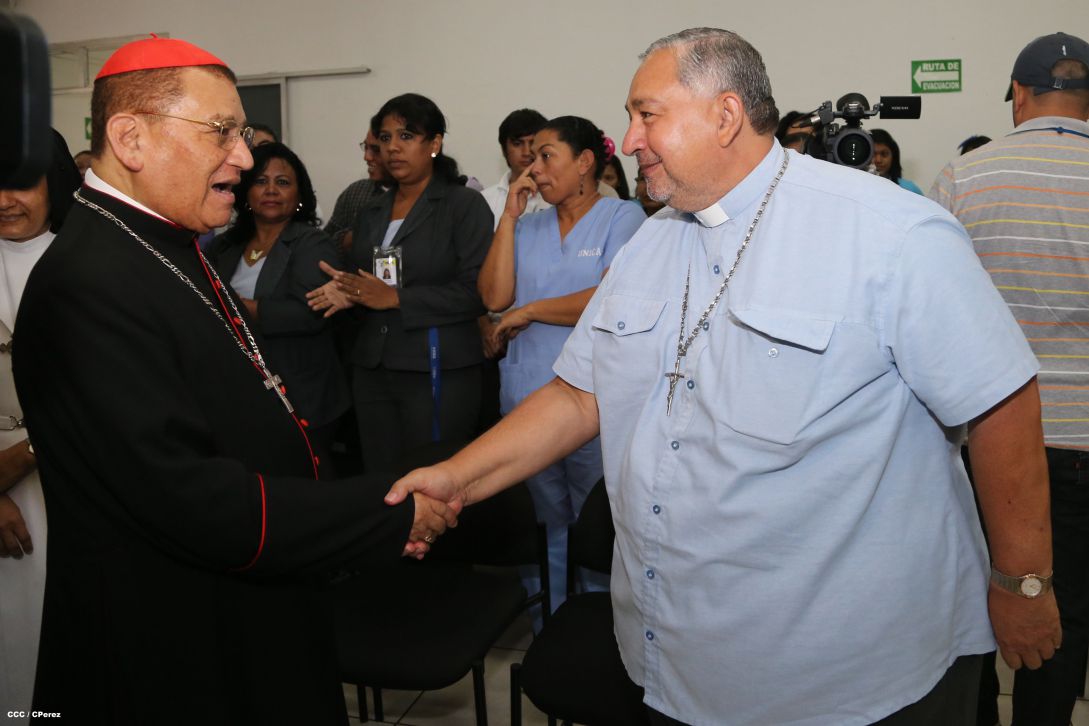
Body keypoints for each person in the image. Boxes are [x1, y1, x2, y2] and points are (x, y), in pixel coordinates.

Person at [385, 27, 1062, 725]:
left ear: (724, 115)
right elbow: (579, 395)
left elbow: (1000, 405)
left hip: (849, 672)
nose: (629, 138)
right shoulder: (652, 241)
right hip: (675, 658)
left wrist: (1022, 584)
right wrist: (459, 477)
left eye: (646, 115)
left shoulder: (890, 234)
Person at [12, 37, 455, 725]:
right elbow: (189, 499)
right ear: (130, 137)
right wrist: (384, 512)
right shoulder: (87, 283)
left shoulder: (163, 241)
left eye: (242, 135)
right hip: (171, 634)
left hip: (244, 596)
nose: (245, 159)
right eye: (222, 132)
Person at [929, 31, 1089, 726]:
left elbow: (926, 308)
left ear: (1019, 96)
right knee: (1067, 612)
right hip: (1082, 445)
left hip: (981, 443)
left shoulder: (965, 176)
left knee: (969, 602)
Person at [478, 115, 644, 615]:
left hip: (595, 399)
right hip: (526, 395)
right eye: (531, 158)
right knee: (544, 518)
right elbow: (493, 295)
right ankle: (547, 617)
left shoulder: (625, 219)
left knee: (596, 517)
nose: (535, 168)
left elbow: (610, 299)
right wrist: (508, 217)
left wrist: (528, 311)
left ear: (586, 163)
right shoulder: (525, 226)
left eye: (547, 155)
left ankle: (596, 620)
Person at [307, 93, 493, 474]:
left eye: (406, 136)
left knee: (432, 480)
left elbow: (476, 293)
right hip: (373, 366)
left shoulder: (463, 205)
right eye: (386, 138)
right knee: (381, 477)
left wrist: (395, 299)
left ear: (435, 144)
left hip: (436, 363)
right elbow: (370, 281)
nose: (392, 147)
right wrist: (347, 292)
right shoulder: (373, 209)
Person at [0, 128, 81, 726]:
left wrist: (24, 456)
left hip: (72, 470)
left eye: (21, 179)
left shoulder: (89, 262)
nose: (4, 197)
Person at [206, 142, 349, 477]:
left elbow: (307, 313)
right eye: (260, 181)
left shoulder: (312, 243)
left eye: (283, 182)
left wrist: (237, 307)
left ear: (300, 193)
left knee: (304, 488)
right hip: (240, 392)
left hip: (302, 392)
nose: (271, 190)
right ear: (245, 191)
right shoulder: (224, 246)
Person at [324, 125, 391, 251]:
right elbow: (325, 244)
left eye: (376, 150)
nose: (367, 157)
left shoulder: (418, 196)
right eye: (365, 147)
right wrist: (351, 238)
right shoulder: (356, 192)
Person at [481, 108, 550, 227]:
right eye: (517, 144)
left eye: (532, 143)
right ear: (503, 150)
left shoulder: (558, 197)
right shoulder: (485, 200)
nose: (527, 152)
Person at [870, 128, 923, 194]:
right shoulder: (855, 187)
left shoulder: (909, 189)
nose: (878, 160)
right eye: (872, 154)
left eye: (884, 154)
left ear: (893, 156)